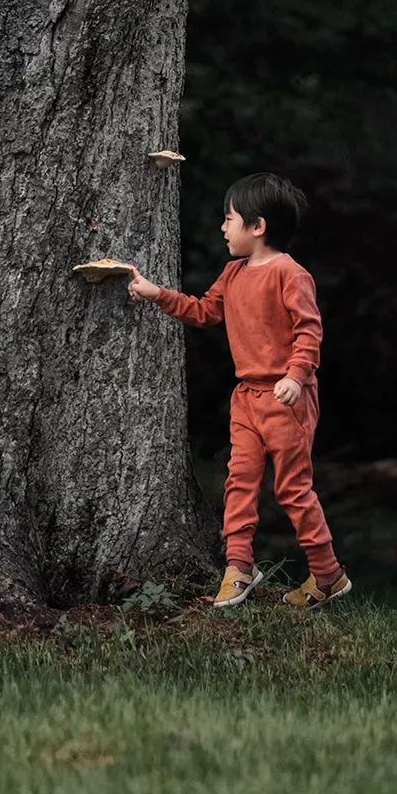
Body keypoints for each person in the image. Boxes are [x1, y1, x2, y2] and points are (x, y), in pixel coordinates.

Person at [128, 173, 351, 611]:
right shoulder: (232, 273)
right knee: (239, 482)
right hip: (246, 399)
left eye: (229, 219)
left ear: (258, 226)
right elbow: (204, 311)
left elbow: (309, 330)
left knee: (292, 490)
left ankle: (328, 575)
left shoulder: (291, 273)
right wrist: (157, 295)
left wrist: (295, 375)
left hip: (288, 399)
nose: (222, 228)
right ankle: (239, 566)